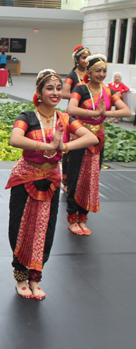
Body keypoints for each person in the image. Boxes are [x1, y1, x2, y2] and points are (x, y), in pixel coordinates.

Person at [7, 69, 98, 300]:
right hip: (26, 179)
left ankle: (35, 278)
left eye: (58, 88)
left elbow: (91, 138)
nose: (56, 92)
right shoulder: (27, 116)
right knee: (21, 228)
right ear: (39, 92)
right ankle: (20, 277)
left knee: (45, 230)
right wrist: (49, 147)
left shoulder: (65, 119)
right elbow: (15, 139)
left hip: (51, 181)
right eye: (50, 88)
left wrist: (64, 147)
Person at [66, 54, 130, 236]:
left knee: (91, 178)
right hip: (80, 136)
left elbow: (126, 110)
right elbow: (71, 109)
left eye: (104, 71)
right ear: (89, 71)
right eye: (98, 71)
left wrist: (105, 112)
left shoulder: (107, 91)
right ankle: (72, 218)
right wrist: (95, 112)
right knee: (75, 176)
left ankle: (83, 218)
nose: (101, 74)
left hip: (98, 139)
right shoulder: (80, 89)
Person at [61, 45, 90, 192]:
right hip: (74, 116)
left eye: (88, 57)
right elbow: (64, 92)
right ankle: (67, 182)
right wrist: (78, 95)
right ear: (77, 59)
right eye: (84, 57)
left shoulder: (92, 76)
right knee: (70, 150)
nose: (86, 60)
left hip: (90, 118)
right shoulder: (72, 76)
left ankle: (83, 180)